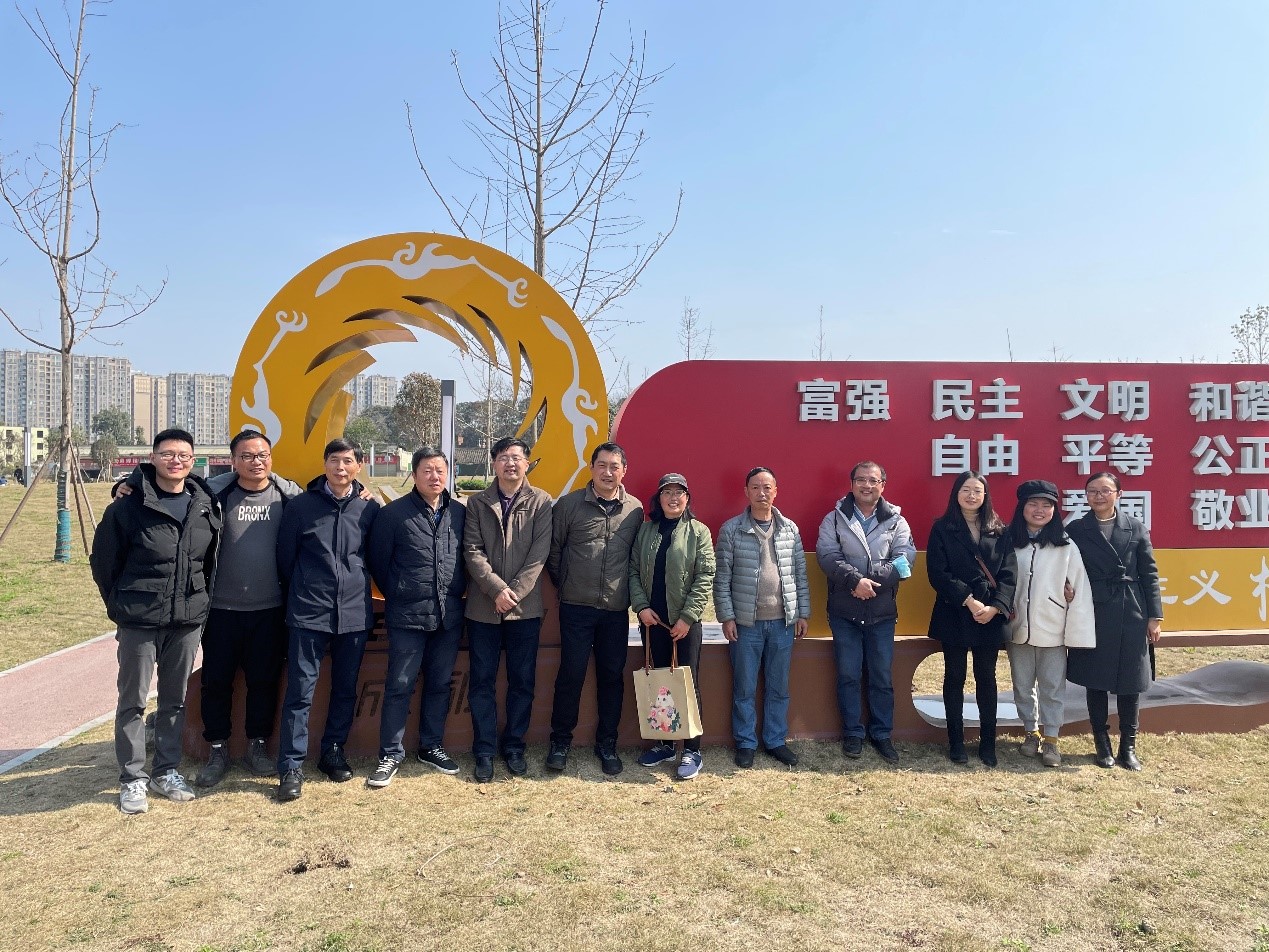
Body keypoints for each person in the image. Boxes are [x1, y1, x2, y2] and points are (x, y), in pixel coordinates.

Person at [90, 428, 221, 814]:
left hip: (186, 620)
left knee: (173, 699)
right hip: (139, 619)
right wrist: (120, 604)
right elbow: (104, 562)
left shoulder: (204, 504)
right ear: (153, 457)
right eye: (167, 454)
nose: (175, 460)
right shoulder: (128, 505)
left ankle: (166, 770)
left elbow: (209, 562)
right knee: (132, 700)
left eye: (183, 455)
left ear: (193, 460)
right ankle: (132, 777)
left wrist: (199, 605)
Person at [274, 439, 380, 801]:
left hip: (354, 613)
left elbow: (376, 555)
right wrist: (304, 590)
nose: (340, 468)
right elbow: (285, 560)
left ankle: (333, 751)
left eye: (348, 461)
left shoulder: (369, 508)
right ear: (325, 464)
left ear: (359, 466)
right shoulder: (301, 507)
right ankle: (291, 765)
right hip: (309, 612)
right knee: (300, 692)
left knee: (345, 688)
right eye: (334, 460)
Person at [195, 431, 302, 786]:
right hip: (220, 610)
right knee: (216, 682)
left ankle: (258, 746)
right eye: (248, 456)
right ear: (234, 460)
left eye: (262, 455)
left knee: (263, 681)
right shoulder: (214, 493)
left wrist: (361, 489)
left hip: (270, 609)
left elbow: (328, 491)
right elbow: (169, 482)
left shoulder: (287, 495)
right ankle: (217, 748)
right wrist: (126, 485)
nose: (256, 461)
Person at [365, 448, 467, 788]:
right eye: (427, 470)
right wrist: (400, 591)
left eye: (440, 470)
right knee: (400, 685)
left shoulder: (460, 514)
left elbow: (468, 558)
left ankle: (431, 746)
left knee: (439, 683)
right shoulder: (393, 515)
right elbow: (379, 562)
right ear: (414, 474)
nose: (435, 476)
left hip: (448, 615)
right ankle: (390, 753)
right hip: (407, 615)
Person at [545, 442, 644, 776]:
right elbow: (554, 552)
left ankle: (608, 744)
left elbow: (636, 558)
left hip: (615, 610)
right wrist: (567, 584)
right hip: (576, 607)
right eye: (602, 465)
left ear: (624, 471)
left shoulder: (634, 509)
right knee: (571, 674)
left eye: (615, 466)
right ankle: (560, 742)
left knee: (611, 677)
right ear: (591, 468)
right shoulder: (569, 505)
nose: (608, 472)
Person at [463, 436, 553, 783]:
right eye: (503, 457)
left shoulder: (541, 502)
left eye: (516, 457)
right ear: (494, 463)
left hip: (524, 610)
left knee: (522, 681)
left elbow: (538, 556)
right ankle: (484, 750)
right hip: (483, 608)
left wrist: (512, 594)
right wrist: (496, 590)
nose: (510, 463)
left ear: (527, 463)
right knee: (481, 682)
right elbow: (472, 551)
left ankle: (514, 746)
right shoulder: (477, 502)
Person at [815, 460, 915, 764]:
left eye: (873, 480)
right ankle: (853, 734)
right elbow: (827, 556)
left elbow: (905, 560)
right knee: (848, 675)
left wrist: (870, 582)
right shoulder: (834, 519)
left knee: (881, 676)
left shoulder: (897, 521)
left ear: (883, 485)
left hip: (881, 612)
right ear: (851, 484)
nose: (867, 486)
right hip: (844, 612)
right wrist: (854, 581)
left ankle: (882, 734)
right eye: (861, 480)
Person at [1066, 472, 1164, 771]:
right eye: (1092, 491)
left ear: (1118, 494)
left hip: (1131, 609)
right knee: (1095, 678)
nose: (1099, 496)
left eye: (1105, 490)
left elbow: (1149, 573)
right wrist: (1066, 587)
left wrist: (1154, 616)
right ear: (1085, 496)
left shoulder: (1135, 527)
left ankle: (1128, 746)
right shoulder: (1076, 529)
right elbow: (1065, 567)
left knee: (1130, 680)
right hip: (1092, 608)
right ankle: (1102, 743)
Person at [714, 467, 810, 768]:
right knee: (744, 687)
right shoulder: (731, 529)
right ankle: (745, 742)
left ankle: (775, 740)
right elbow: (722, 578)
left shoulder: (789, 529)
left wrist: (802, 612)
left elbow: (799, 574)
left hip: (783, 622)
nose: (761, 493)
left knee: (778, 686)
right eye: (755, 487)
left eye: (767, 487)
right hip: (746, 624)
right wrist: (727, 616)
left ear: (776, 491)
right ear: (746, 492)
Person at [924, 472, 1016, 767]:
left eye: (977, 490)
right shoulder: (942, 528)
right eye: (966, 490)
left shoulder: (999, 530)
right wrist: (969, 600)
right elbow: (938, 572)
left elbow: (1009, 574)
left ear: (985, 495)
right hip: (954, 611)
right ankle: (956, 742)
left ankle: (988, 743)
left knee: (986, 678)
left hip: (989, 616)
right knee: (954, 677)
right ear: (956, 493)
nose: (972, 495)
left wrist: (995, 607)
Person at [629, 473, 715, 780]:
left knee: (687, 683)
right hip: (653, 622)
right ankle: (665, 744)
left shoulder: (698, 531)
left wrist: (688, 617)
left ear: (687, 499)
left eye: (680, 492)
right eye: (667, 492)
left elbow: (705, 575)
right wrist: (641, 607)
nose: (673, 497)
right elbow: (633, 571)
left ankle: (692, 750)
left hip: (684, 624)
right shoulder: (646, 530)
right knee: (660, 682)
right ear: (659, 498)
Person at [1003, 479, 1095, 767]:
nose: (1039, 510)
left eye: (1046, 505)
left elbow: (1079, 588)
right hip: (1018, 627)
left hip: (1053, 628)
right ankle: (1030, 732)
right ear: (1022, 508)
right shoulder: (1009, 541)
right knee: (1022, 684)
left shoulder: (1065, 546)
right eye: (1033, 504)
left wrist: (1074, 622)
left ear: (1055, 510)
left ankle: (1052, 738)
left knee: (1052, 686)